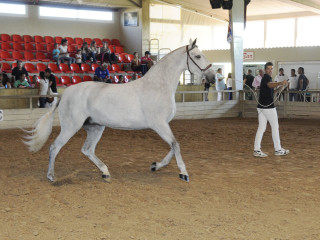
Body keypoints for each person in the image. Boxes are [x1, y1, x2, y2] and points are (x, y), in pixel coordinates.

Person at [253, 62, 289, 158]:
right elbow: (270, 85)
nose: (270, 70)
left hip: (261, 107)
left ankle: (257, 149)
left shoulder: (267, 79)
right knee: (275, 127)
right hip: (268, 108)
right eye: (268, 68)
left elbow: (270, 90)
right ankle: (278, 149)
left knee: (261, 128)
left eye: (271, 68)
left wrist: (279, 88)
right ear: (265, 70)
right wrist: (281, 82)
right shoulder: (266, 78)